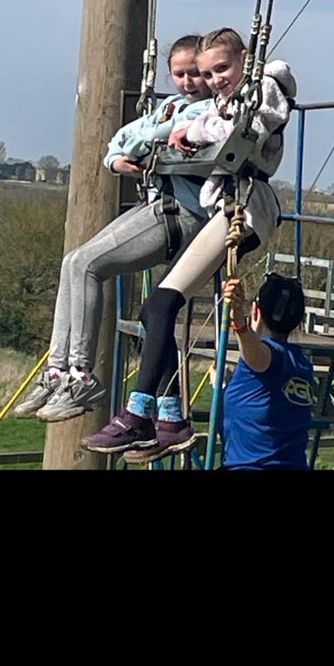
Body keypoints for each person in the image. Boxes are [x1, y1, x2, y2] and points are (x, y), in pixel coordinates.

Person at [83, 26, 297, 459]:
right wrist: (186, 130)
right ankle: (170, 415)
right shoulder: (225, 101)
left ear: (246, 60)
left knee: (163, 304)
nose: (216, 78)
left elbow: (245, 127)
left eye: (223, 68)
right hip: (223, 207)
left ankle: (138, 412)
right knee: (153, 309)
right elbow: (212, 122)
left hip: (244, 208)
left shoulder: (266, 88)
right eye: (208, 72)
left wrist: (192, 133)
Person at [13, 34, 212, 423]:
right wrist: (120, 158)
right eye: (180, 74)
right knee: (73, 261)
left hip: (182, 215)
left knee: (88, 265)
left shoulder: (209, 114)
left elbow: (152, 136)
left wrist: (143, 139)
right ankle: (59, 370)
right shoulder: (171, 107)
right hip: (158, 205)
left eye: (195, 73)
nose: (189, 82)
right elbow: (121, 141)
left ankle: (82, 374)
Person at [216, 274, 314, 470]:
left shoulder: (267, 358)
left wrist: (240, 324)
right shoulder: (303, 364)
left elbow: (258, 355)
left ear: (255, 311)